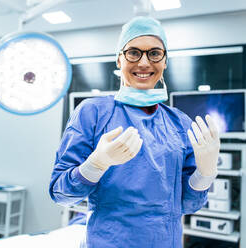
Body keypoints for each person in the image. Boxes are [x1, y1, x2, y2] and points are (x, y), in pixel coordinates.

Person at [49, 16, 220, 248]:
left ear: (165, 61)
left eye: (155, 53)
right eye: (133, 53)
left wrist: (205, 173)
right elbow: (61, 193)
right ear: (119, 59)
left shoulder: (180, 123)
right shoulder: (93, 113)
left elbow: (188, 205)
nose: (144, 63)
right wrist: (95, 165)